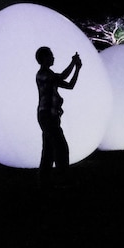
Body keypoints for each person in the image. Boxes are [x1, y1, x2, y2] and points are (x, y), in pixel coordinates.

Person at [35, 46, 82, 190]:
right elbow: (62, 77)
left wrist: (77, 69)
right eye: (51, 56)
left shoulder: (48, 75)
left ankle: (45, 180)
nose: (53, 58)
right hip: (47, 116)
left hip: (50, 117)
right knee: (61, 147)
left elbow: (70, 85)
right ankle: (62, 179)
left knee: (49, 149)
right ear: (44, 58)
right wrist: (73, 64)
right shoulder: (43, 74)